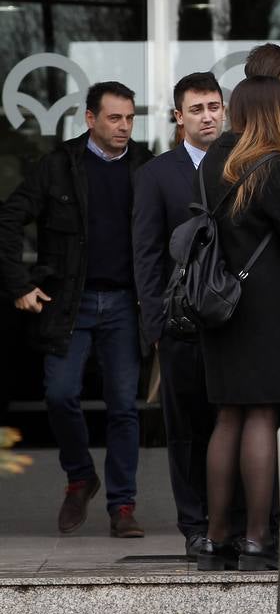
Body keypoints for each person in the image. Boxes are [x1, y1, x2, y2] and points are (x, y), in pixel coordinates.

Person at [0, 82, 152, 538]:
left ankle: (122, 506)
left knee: (124, 407)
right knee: (60, 394)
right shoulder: (58, 167)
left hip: (127, 304)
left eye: (129, 118)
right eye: (114, 118)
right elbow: (8, 218)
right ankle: (80, 476)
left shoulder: (145, 166)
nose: (124, 127)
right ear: (90, 119)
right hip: (70, 303)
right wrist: (19, 284)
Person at [196, 77, 280, 571]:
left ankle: (215, 534)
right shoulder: (273, 166)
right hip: (266, 303)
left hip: (219, 301)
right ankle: (255, 538)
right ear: (270, 112)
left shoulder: (213, 162)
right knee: (264, 415)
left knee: (229, 416)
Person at [131, 72, 225, 559]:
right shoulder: (156, 174)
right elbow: (145, 255)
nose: (207, 116)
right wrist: (156, 329)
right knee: (186, 430)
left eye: (214, 106)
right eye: (197, 109)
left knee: (230, 423)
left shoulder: (240, 165)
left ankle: (230, 522)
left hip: (234, 324)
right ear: (178, 117)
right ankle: (194, 524)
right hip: (179, 324)